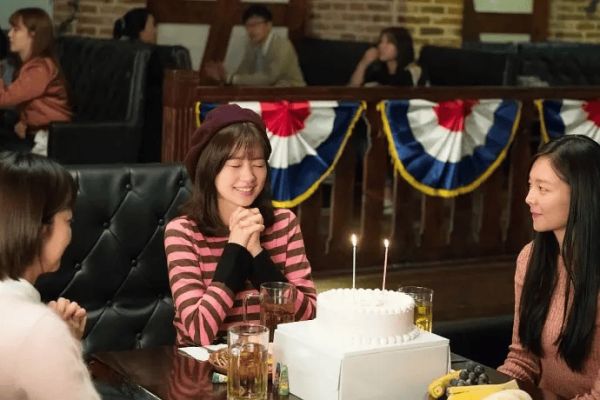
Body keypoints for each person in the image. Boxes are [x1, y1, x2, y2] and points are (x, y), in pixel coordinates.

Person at [164, 104, 316, 346]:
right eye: (235, 165)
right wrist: (235, 248)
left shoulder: (284, 224)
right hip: (202, 363)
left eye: (258, 164)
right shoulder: (183, 232)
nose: (249, 177)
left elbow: (309, 319)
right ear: (210, 168)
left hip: (270, 360)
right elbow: (199, 331)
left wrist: (257, 254)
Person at [498, 135, 600, 398]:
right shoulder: (530, 258)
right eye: (530, 185)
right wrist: (495, 392)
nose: (529, 198)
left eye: (543, 189)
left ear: (581, 195)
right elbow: (523, 360)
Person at [0, 151, 99, 399]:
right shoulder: (38, 328)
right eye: (68, 220)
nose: (70, 234)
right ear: (41, 228)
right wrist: (61, 343)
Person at [0, 8, 71, 156]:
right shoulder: (32, 65)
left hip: (49, 140)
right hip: (38, 133)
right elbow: (32, 102)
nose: (9, 34)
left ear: (33, 34)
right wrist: (24, 121)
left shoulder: (39, 68)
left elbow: (3, 99)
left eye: (16, 29)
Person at [204, 4, 305, 87]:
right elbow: (242, 74)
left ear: (269, 25)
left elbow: (270, 77)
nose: (251, 30)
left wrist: (231, 78)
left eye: (256, 25)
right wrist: (224, 78)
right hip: (265, 93)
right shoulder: (251, 46)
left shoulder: (282, 45)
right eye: (248, 26)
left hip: (292, 94)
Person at [349, 27, 424, 87]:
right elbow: (352, 91)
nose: (381, 46)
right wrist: (363, 63)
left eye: (389, 42)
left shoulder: (412, 71)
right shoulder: (377, 70)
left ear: (401, 46)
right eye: (381, 42)